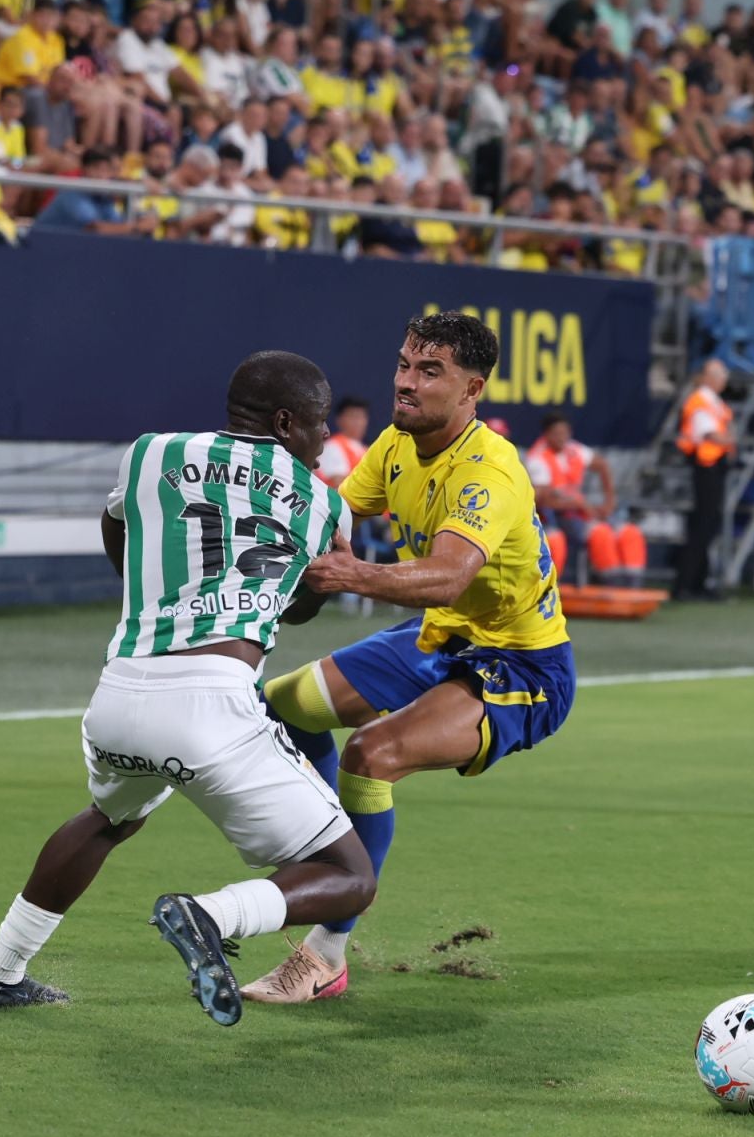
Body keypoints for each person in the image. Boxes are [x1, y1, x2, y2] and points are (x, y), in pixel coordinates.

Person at [0, 351, 376, 1026]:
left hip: (121, 692)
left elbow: (118, 528)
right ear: (285, 422)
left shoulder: (152, 453)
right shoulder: (325, 504)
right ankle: (209, 914)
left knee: (108, 819)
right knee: (351, 875)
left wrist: (160, 592)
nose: (324, 440)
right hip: (212, 702)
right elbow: (299, 606)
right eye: (319, 424)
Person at [245, 312, 576, 1003]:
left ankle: (326, 953)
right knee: (281, 706)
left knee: (372, 755)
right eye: (403, 364)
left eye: (430, 372)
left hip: (520, 667)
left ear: (471, 389)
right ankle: (330, 848)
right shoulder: (396, 446)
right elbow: (333, 513)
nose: (406, 382)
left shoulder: (491, 469)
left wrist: (347, 575)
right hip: (437, 638)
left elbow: (450, 575)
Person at [525, 412, 643, 584]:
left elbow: (601, 464)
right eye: (557, 434)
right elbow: (542, 500)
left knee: (629, 532)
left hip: (581, 511)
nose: (562, 438)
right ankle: (610, 584)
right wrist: (578, 504)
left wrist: (610, 500)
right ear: (547, 434)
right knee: (600, 533)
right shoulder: (537, 458)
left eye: (565, 433)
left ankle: (631, 584)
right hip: (557, 516)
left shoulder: (574, 449)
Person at [673, 357, 732, 600]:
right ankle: (686, 584)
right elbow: (708, 434)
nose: (723, 382)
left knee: (707, 526)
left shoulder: (712, 401)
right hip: (705, 467)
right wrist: (729, 441)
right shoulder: (702, 401)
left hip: (713, 467)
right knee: (702, 527)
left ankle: (697, 581)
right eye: (719, 377)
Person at [316, 395, 370, 489]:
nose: (358, 422)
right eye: (353, 417)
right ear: (340, 420)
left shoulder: (366, 450)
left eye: (361, 417)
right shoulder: (332, 447)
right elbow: (339, 483)